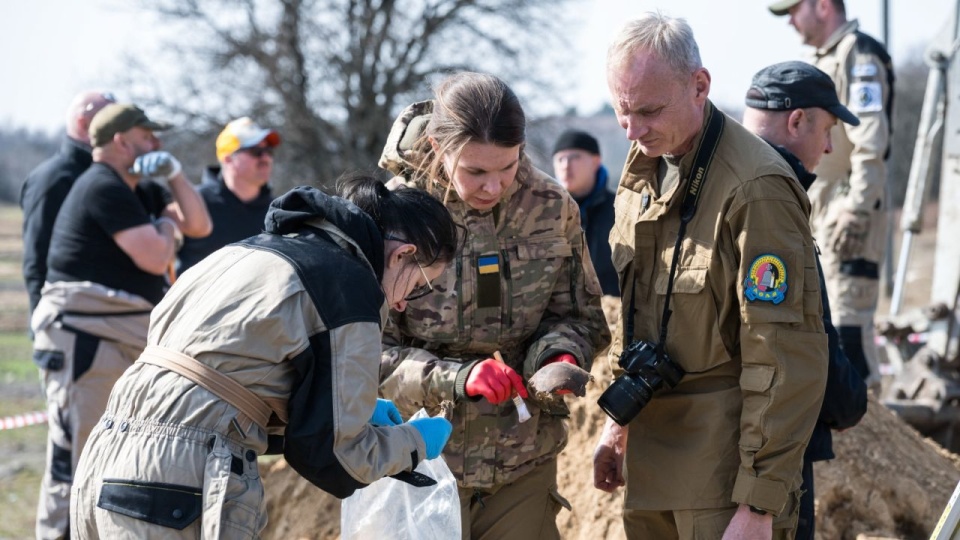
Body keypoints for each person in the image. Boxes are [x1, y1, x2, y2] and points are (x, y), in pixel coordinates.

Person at [70, 175, 458, 538]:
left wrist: (349, 408)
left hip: (103, 455)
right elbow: (339, 459)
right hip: (181, 482)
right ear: (403, 255)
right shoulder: (348, 283)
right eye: (422, 286)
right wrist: (414, 442)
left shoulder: (245, 252)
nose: (404, 303)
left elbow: (226, 377)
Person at [592, 14, 828, 540]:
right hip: (651, 469)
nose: (633, 130)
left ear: (700, 86)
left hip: (722, 480)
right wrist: (618, 426)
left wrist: (759, 504)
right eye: (622, 111)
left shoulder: (756, 187)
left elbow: (785, 356)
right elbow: (641, 321)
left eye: (649, 111)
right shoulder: (642, 169)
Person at [377, 72, 610, 539]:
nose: (494, 186)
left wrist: (557, 357)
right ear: (441, 150)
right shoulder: (393, 212)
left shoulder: (551, 205)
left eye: (508, 166)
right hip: (418, 459)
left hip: (522, 461)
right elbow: (365, 353)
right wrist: (457, 378)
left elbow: (579, 318)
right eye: (475, 172)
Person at [32, 103, 212, 540]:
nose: (157, 144)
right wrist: (167, 230)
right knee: (77, 460)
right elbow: (154, 255)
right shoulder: (100, 185)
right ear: (121, 141)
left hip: (117, 336)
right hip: (86, 340)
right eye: (148, 137)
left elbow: (200, 224)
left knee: (105, 458)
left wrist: (173, 176)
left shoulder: (139, 190)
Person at [742, 60, 869, 540]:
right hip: (772, 459)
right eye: (828, 129)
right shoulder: (770, 198)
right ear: (796, 122)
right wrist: (848, 399)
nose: (830, 146)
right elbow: (793, 339)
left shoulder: (725, 181)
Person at [769, 0, 895, 386]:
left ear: (822, 5)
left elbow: (871, 143)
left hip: (848, 213)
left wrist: (856, 209)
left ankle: (867, 429)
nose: (790, 21)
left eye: (793, 10)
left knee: (849, 327)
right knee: (828, 326)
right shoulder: (826, 57)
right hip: (823, 212)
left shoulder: (859, 56)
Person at [20, 91, 116, 321]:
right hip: (68, 322)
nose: (120, 130)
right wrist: (45, 325)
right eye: (111, 121)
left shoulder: (111, 175)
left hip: (107, 319)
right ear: (83, 123)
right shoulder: (53, 180)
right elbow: (37, 259)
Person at [177, 117, 280, 274]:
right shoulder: (194, 202)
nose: (266, 158)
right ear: (228, 158)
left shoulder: (278, 210)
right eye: (256, 152)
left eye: (268, 152)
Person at [552, 129, 619, 296]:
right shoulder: (544, 214)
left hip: (614, 312)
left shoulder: (620, 210)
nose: (566, 166)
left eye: (575, 157)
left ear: (596, 161)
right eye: (560, 159)